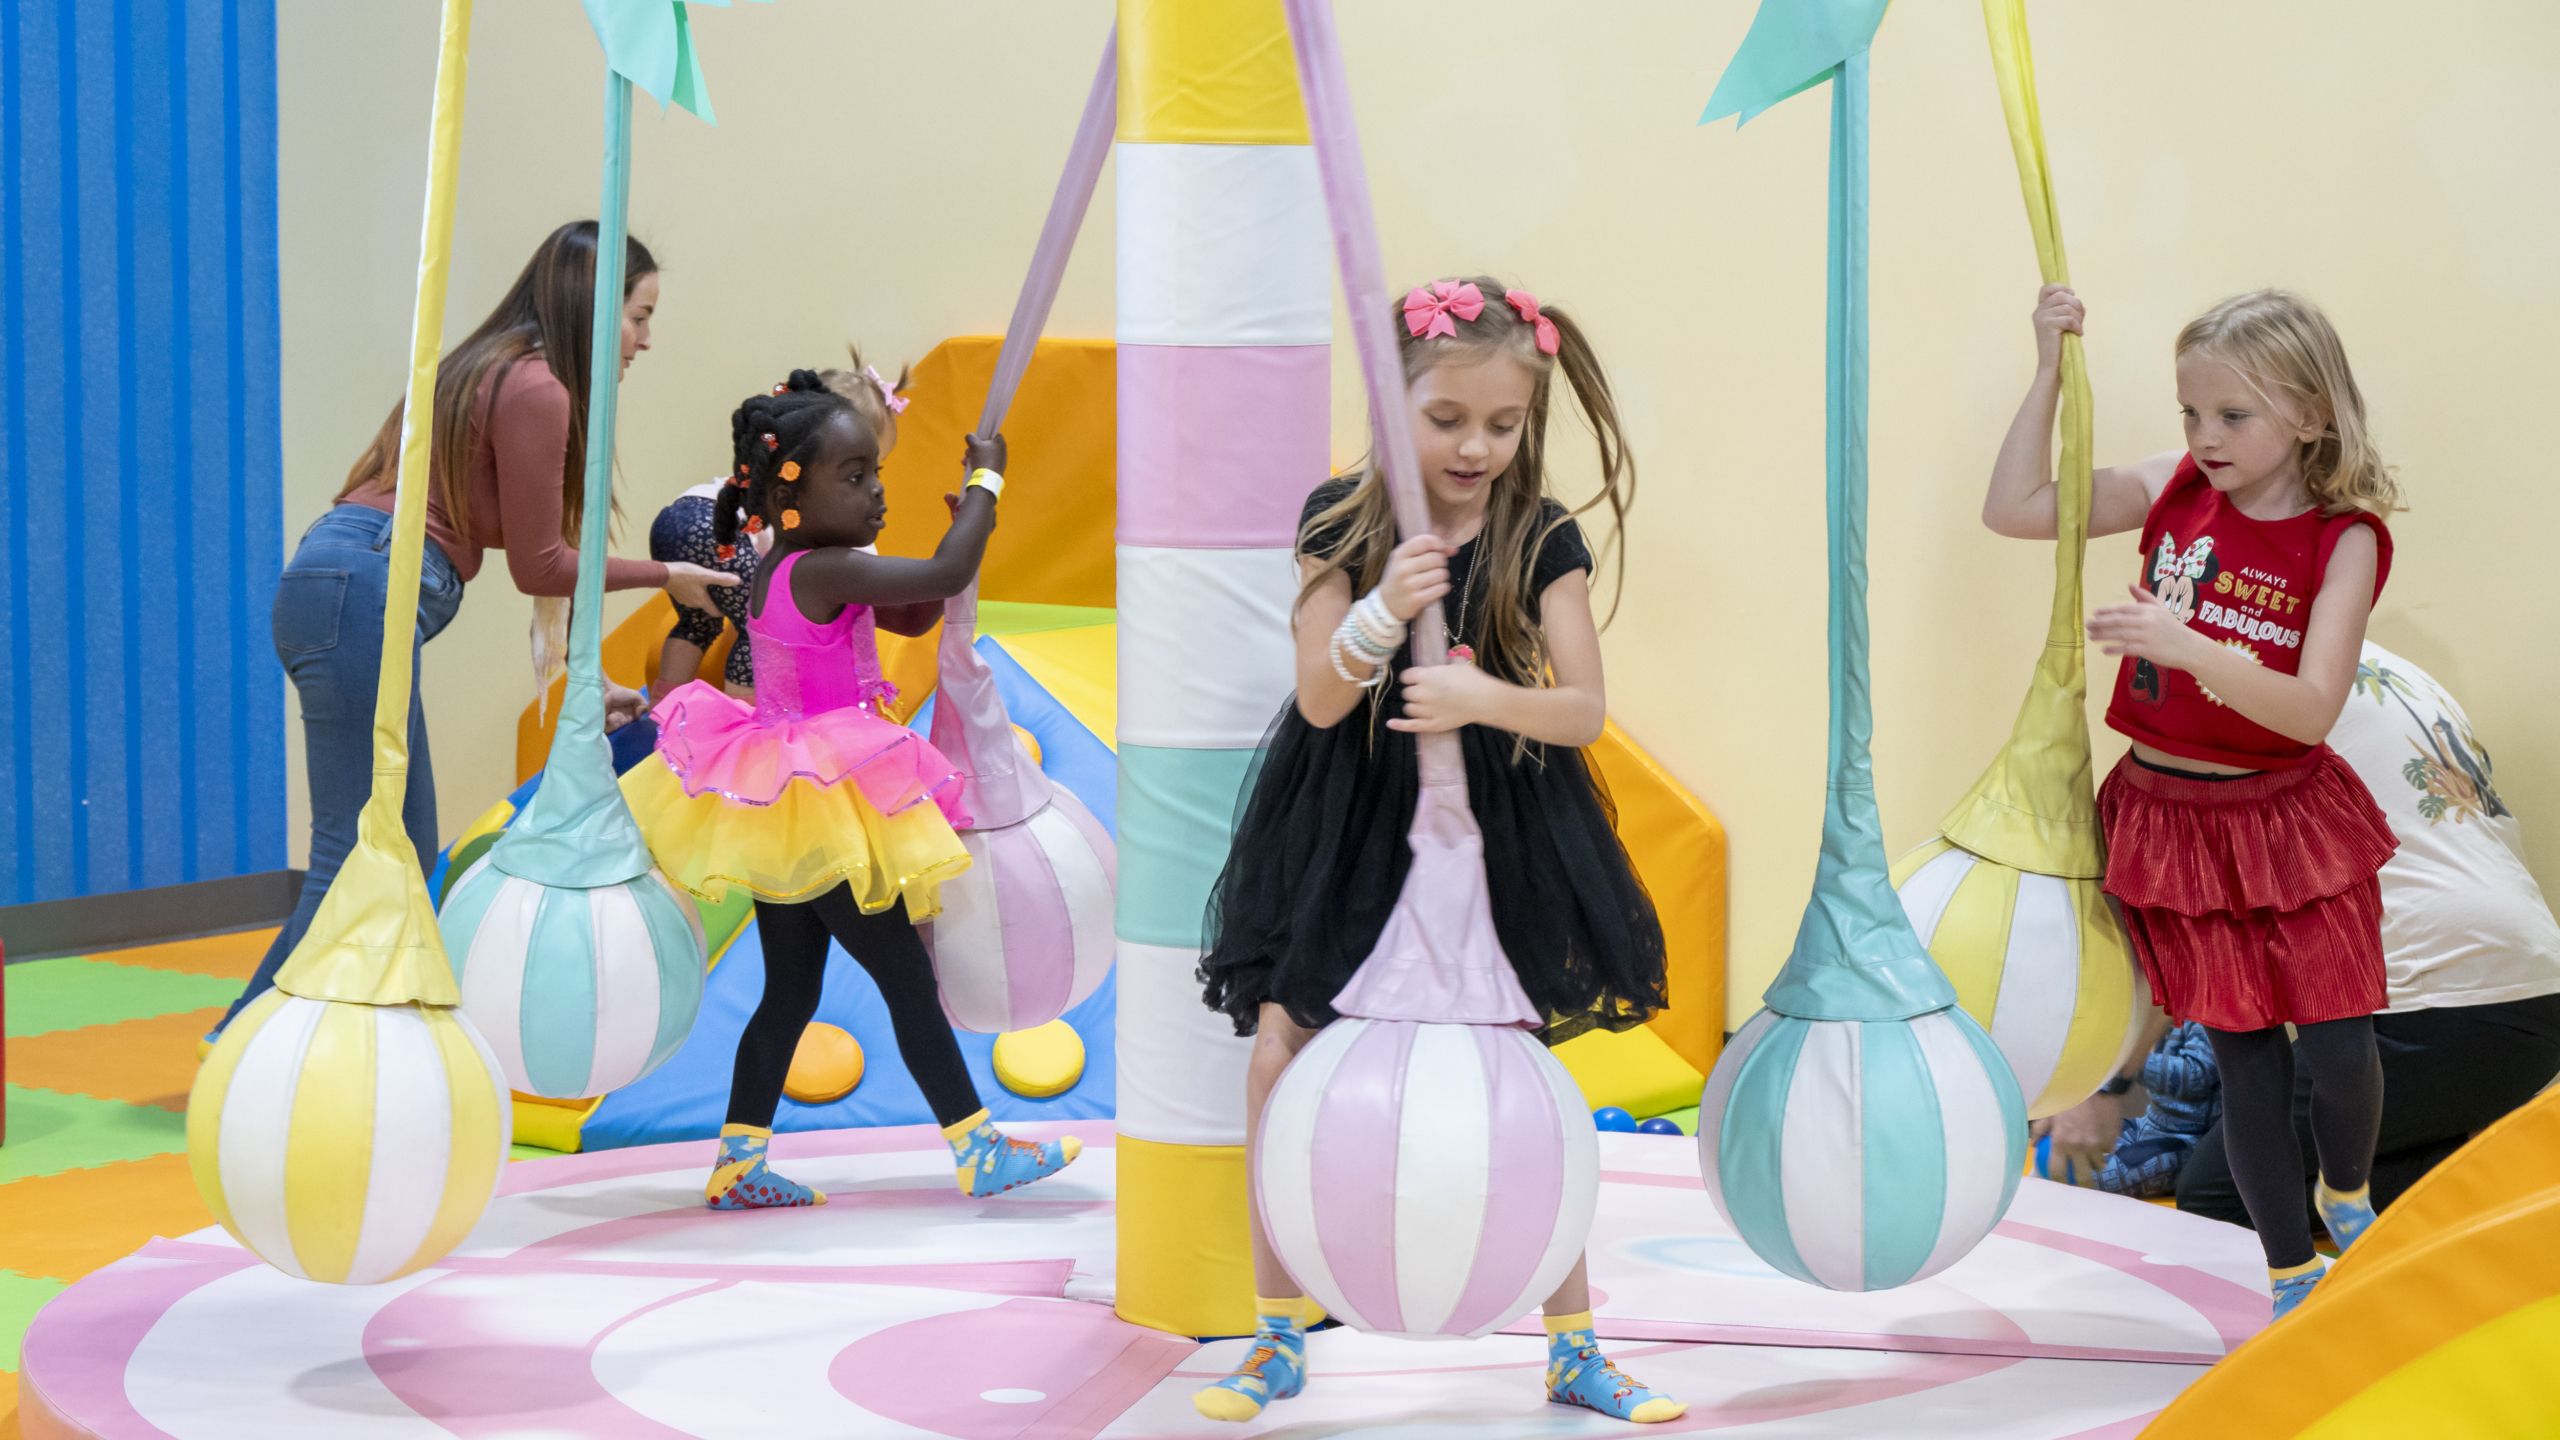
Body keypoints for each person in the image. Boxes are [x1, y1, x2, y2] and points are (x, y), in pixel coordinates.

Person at [1191, 280, 1680, 1424]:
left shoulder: (1539, 533)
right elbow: (1318, 698)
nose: (1476, 447)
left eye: (1502, 425)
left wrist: (1480, 693)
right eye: (1447, 419)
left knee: (1523, 1064)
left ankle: (1571, 1342)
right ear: (1390, 403)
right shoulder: (1341, 519)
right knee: (1278, 1050)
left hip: (1498, 823)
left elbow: (1583, 711)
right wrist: (1379, 611)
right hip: (1351, 816)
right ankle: (1274, 1332)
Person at [1983, 285, 2402, 1319]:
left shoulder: (2342, 537)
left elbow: (2308, 710)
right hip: (2174, 824)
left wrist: (2188, 647)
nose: (2201, 437)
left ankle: (2342, 1188)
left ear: (2308, 414)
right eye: (2189, 413)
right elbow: (2015, 508)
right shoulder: (2176, 488)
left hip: (2287, 819)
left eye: (2230, 416)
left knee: (2342, 1052)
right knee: (2246, 1065)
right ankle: (2285, 1270)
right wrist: (2045, 367)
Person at [221, 221, 740, 1036]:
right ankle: (247, 1041)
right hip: (365, 588)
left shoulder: (484, 367)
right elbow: (540, 564)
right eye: (638, 315)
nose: (646, 338)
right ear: (597, 307)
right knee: (358, 851)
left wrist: (587, 679)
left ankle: (307, 1038)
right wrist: (669, 576)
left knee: (401, 845)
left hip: (339, 581)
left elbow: (527, 563)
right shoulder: (539, 387)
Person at [619, 370, 1077, 1211]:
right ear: (791, 492)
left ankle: (738, 1159)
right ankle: (975, 1146)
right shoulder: (820, 568)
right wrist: (987, 483)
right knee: (904, 976)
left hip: (791, 797)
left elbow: (912, 608)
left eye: (876, 475)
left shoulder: (791, 567)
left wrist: (947, 555)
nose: (875, 494)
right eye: (855, 475)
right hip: (820, 796)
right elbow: (944, 571)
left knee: (791, 989)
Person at [2168, 641, 2560, 1221]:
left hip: (2440, 995)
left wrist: (2107, 1082)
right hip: (2530, 987)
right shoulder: (2397, 673)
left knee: (2216, 1191)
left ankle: (2514, 1192)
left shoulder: (2252, 676)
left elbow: (2194, 884)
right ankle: (2492, 1171)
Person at [645, 353, 911, 706]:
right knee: (761, 633)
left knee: (697, 623)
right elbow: (862, 573)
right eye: (859, 474)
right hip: (717, 532)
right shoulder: (812, 507)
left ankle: (663, 713)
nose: (872, 485)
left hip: (680, 516)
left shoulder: (778, 473)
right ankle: (748, 730)